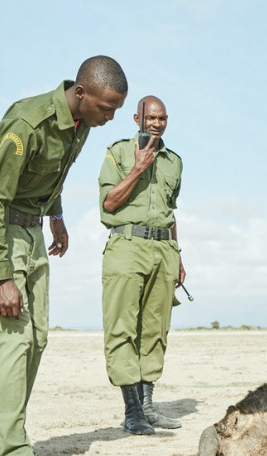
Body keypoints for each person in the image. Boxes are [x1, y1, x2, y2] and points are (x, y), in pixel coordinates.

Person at [0, 56, 128, 456]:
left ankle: (15, 444)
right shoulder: (28, 123)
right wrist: (0, 276)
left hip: (32, 232)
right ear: (81, 93)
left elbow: (51, 175)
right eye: (105, 108)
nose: (109, 118)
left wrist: (55, 216)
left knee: (34, 341)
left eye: (114, 111)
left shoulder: (82, 124)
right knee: (7, 346)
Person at [98, 95, 185, 435]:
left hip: (163, 248)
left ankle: (149, 406)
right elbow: (108, 204)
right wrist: (138, 169)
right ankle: (132, 411)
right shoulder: (118, 152)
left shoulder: (174, 161)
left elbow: (171, 210)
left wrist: (178, 254)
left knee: (155, 329)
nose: (156, 123)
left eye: (162, 118)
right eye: (150, 117)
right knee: (121, 329)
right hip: (127, 245)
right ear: (137, 118)